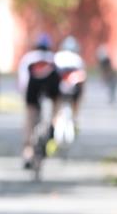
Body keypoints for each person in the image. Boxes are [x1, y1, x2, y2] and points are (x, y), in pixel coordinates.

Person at [16, 32, 60, 168]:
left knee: (30, 118)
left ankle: (27, 152)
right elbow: (59, 80)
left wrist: (24, 95)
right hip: (51, 88)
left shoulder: (29, 58)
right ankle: (53, 128)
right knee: (56, 105)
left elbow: (23, 81)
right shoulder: (53, 58)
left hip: (32, 89)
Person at [54, 35, 86, 128]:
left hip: (58, 88)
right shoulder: (78, 59)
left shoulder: (57, 57)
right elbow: (82, 77)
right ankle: (75, 117)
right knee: (77, 99)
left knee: (56, 105)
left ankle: (54, 120)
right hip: (73, 89)